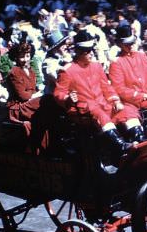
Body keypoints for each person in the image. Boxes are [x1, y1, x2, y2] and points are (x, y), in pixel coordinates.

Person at [53, 30, 137, 164]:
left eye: (92, 50)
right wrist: (67, 98)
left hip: (102, 105)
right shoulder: (67, 70)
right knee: (97, 111)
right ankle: (121, 145)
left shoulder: (97, 66)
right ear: (80, 52)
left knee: (127, 110)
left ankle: (139, 139)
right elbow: (58, 93)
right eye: (88, 51)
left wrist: (115, 100)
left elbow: (106, 87)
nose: (92, 53)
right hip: (83, 110)